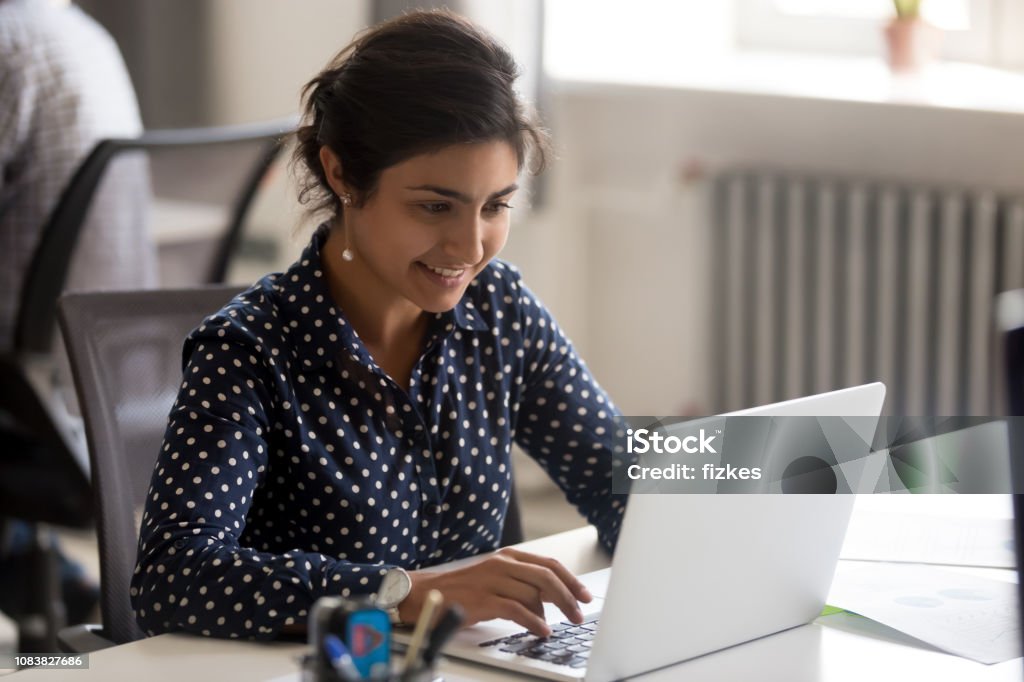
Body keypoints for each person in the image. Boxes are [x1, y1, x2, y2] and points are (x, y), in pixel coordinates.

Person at [132, 10, 626, 641]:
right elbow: (173, 579)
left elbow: (618, 467)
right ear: (341, 175)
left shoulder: (498, 308)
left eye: (496, 206)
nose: (471, 246)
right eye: (433, 206)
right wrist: (401, 594)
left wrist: (776, 467)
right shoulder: (249, 352)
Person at [0, 0, 156, 641]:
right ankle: (60, 595)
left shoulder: (9, 42)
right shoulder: (82, 33)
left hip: (32, 395)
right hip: (115, 384)